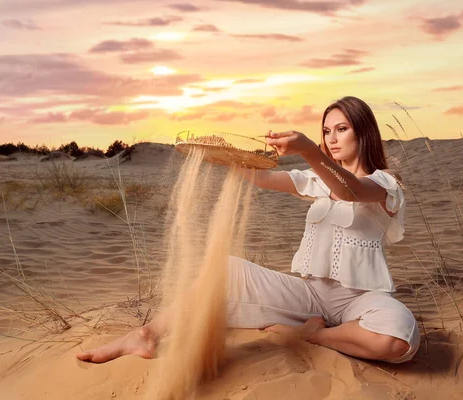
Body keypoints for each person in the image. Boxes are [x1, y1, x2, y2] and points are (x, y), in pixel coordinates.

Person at [76, 96, 419, 364]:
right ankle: (147, 334)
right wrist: (220, 152)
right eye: (326, 131)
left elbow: (349, 191)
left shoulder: (386, 184)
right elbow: (261, 177)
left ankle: (309, 336)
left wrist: (309, 150)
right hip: (311, 296)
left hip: (362, 301)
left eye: (341, 129)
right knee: (226, 270)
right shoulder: (315, 179)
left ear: (364, 131)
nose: (331, 139)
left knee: (397, 338)